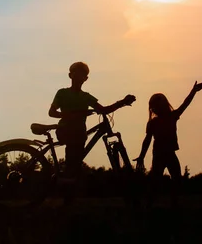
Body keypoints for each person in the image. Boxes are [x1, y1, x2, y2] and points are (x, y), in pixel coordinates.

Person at [48, 62, 136, 199]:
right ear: (70, 75)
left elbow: (103, 110)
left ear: (86, 79)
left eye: (82, 74)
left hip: (79, 133)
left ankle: (68, 190)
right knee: (74, 159)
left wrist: (122, 102)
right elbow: (51, 112)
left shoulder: (86, 97)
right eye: (76, 73)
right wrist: (69, 114)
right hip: (66, 130)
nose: (79, 76)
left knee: (75, 162)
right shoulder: (62, 93)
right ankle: (66, 186)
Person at [134, 80, 202, 203]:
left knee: (162, 180)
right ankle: (162, 203)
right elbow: (185, 104)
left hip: (162, 154)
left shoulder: (156, 122)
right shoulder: (169, 117)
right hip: (164, 154)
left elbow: (147, 141)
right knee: (170, 179)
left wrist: (142, 156)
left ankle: (157, 204)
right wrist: (141, 156)